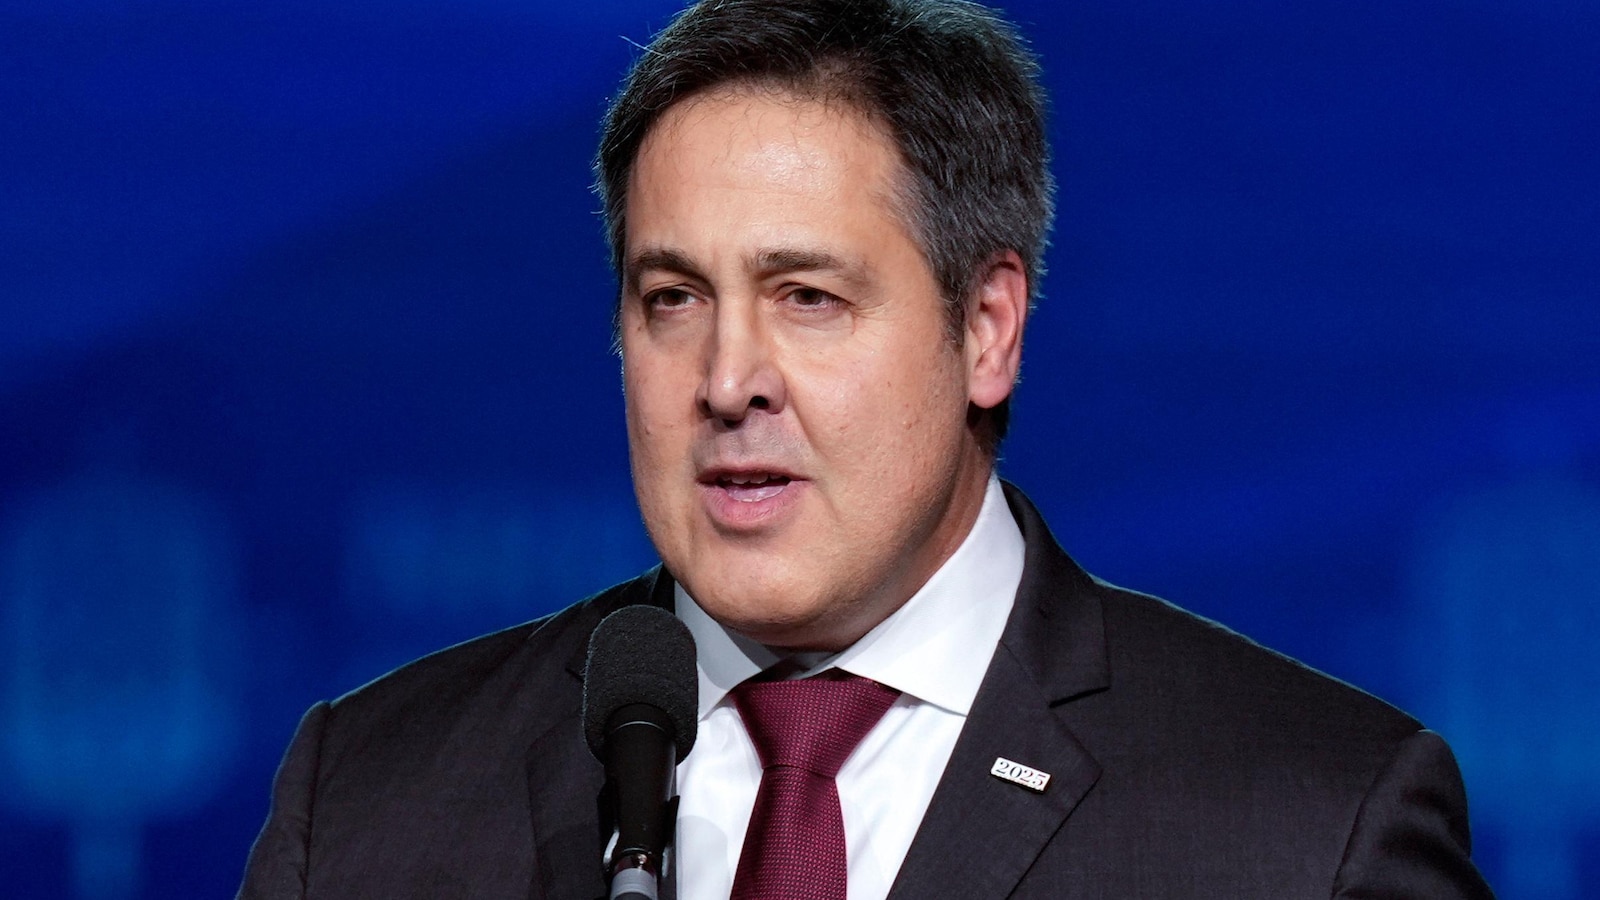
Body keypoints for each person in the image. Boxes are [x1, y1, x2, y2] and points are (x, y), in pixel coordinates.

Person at [238, 1, 1494, 897]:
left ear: (986, 330)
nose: (726, 381)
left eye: (808, 298)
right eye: (673, 299)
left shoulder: (1309, 825)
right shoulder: (367, 801)